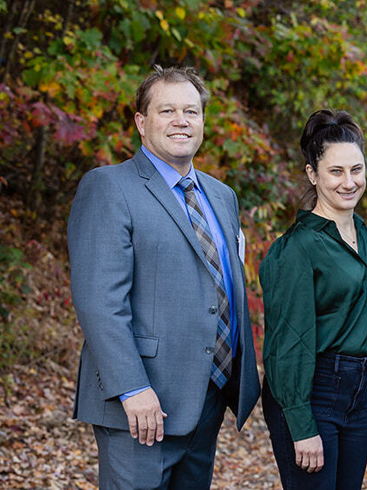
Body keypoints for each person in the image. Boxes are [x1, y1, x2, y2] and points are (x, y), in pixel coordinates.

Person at [67, 65, 260, 489]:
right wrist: (132, 388)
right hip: (141, 404)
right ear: (141, 121)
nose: (181, 121)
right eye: (167, 110)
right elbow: (100, 301)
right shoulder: (109, 187)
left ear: (203, 122)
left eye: (191, 111)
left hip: (205, 399)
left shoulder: (221, 196)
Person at [259, 109, 367, 490]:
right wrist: (301, 425)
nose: (349, 182)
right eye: (336, 172)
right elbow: (287, 343)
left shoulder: (366, 236)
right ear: (313, 174)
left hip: (356, 396)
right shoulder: (297, 248)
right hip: (310, 391)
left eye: (357, 169)